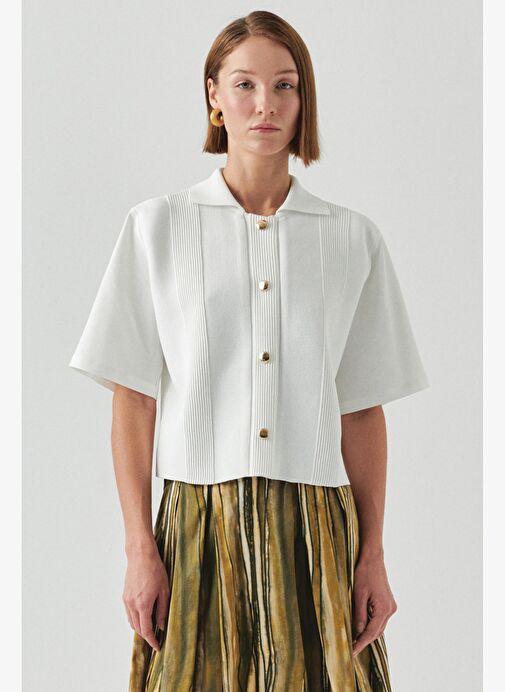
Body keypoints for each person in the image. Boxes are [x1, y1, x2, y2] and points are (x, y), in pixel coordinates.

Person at [69, 10, 429, 692]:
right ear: (213, 95)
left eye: (284, 85)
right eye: (244, 84)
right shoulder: (156, 228)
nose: (265, 104)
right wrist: (139, 547)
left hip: (317, 531)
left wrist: (372, 554)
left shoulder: (351, 238)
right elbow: (134, 399)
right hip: (196, 530)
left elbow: (361, 411)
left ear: (303, 98)